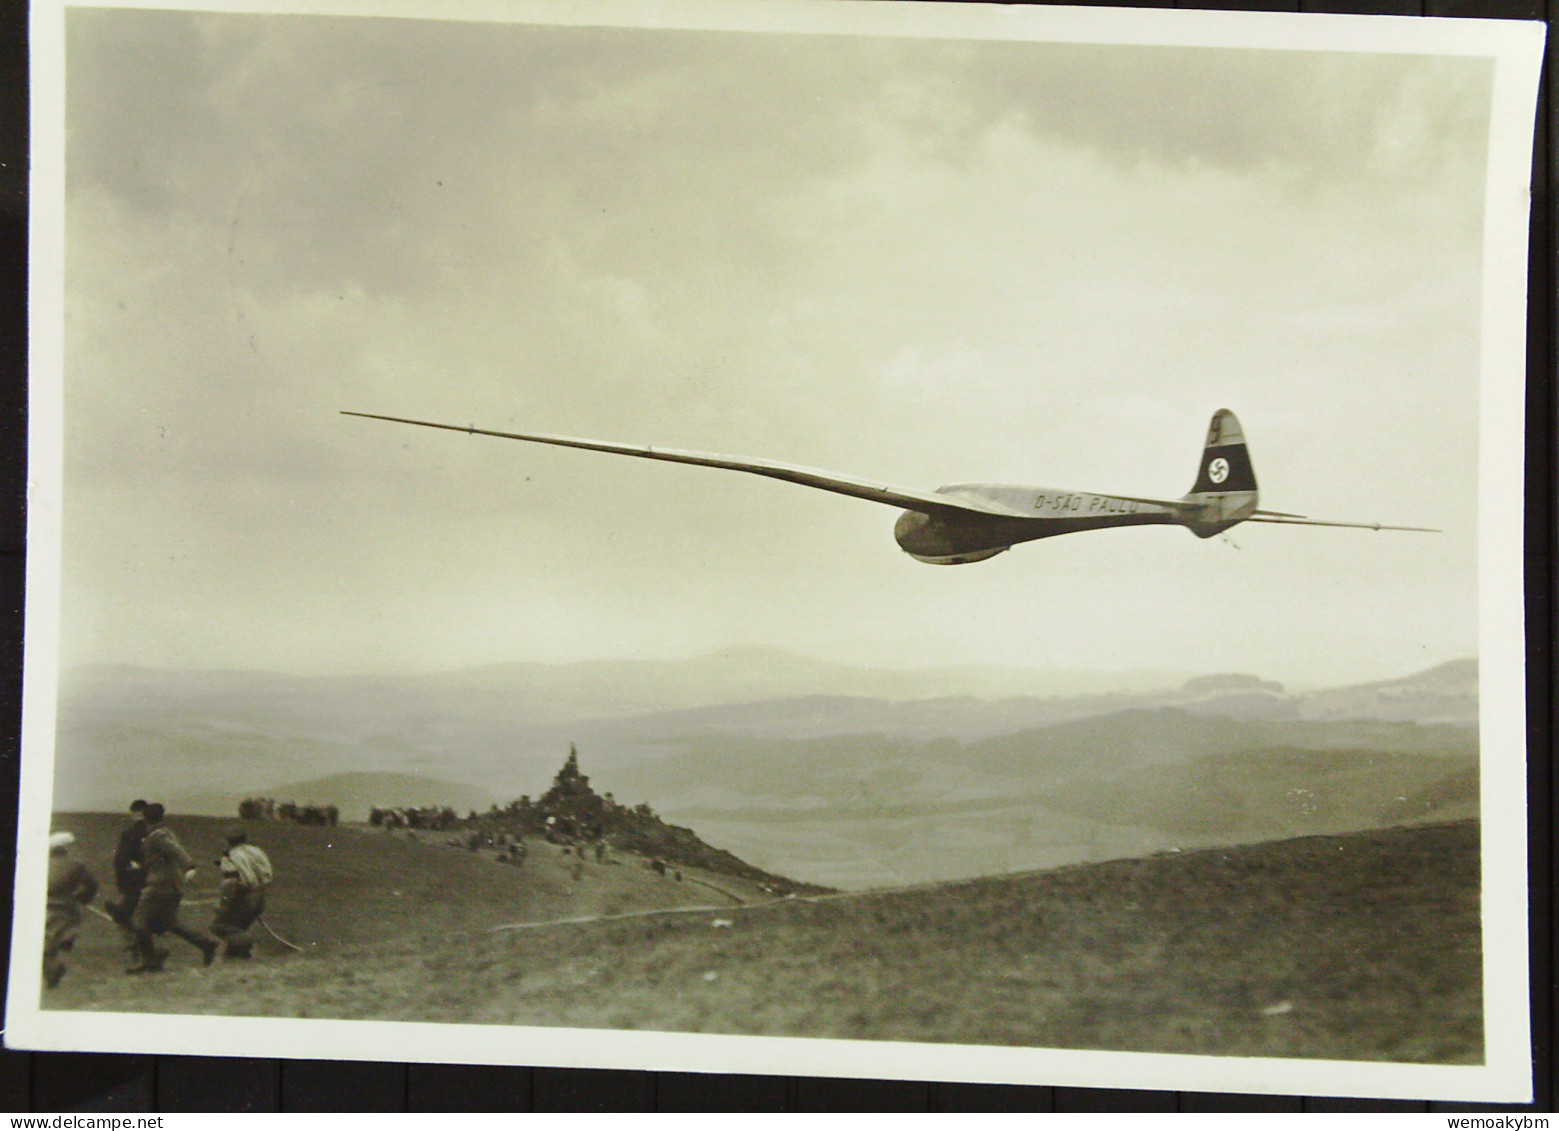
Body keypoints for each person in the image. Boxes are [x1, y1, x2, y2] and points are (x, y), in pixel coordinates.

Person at [128, 803, 217, 973]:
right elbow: (161, 858)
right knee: (169, 923)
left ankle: (150, 961)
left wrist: (190, 866)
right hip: (171, 886)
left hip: (159, 887)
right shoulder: (165, 833)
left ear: (145, 819)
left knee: (138, 923)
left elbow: (176, 851)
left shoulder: (157, 836)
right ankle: (205, 944)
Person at [44, 831, 98, 989]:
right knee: (60, 933)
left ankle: (53, 971)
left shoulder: (41, 864)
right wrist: (84, 898)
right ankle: (67, 937)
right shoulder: (77, 864)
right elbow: (91, 885)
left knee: (48, 946)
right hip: (67, 908)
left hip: (47, 908)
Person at [208, 827, 272, 959]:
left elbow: (230, 882)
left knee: (220, 926)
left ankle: (246, 948)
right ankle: (236, 956)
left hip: (242, 896)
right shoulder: (256, 851)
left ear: (227, 841)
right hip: (260, 894)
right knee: (239, 926)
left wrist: (223, 903)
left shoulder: (230, 856)